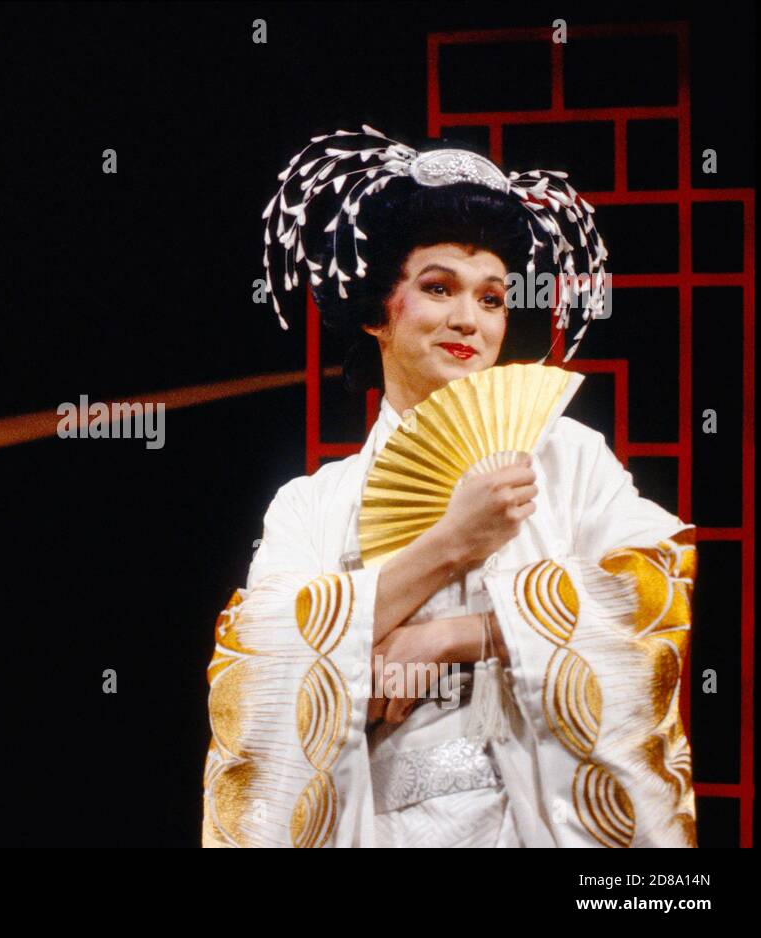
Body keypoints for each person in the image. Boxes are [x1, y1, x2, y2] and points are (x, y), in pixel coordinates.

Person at [200, 129, 696, 847]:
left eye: (492, 299)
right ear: (378, 311)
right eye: (438, 289)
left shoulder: (569, 460)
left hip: (541, 826)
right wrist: (449, 544)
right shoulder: (311, 505)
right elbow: (260, 685)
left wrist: (452, 638)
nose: (469, 318)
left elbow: (650, 600)